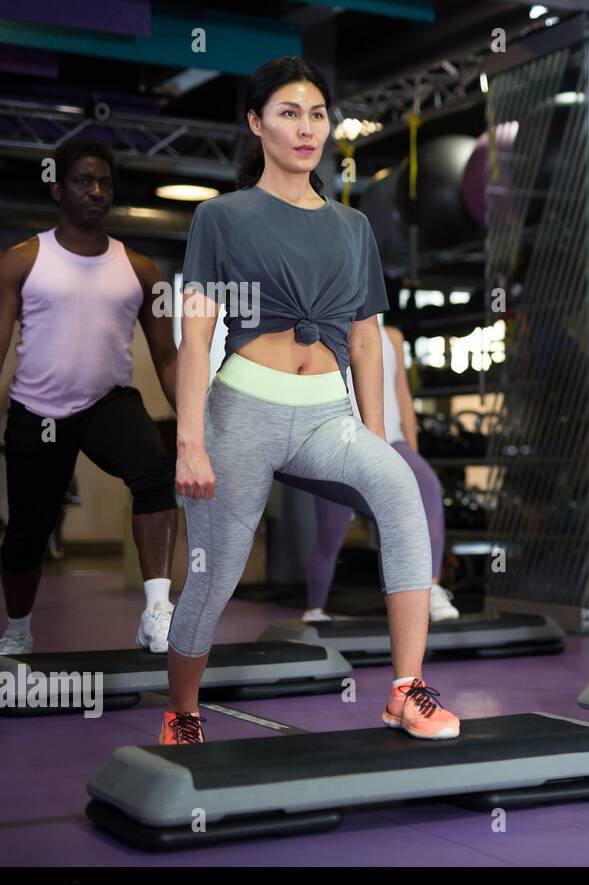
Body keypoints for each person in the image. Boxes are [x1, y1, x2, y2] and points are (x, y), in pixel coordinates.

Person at [164, 56, 457, 745]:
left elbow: (365, 344)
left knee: (401, 494)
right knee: (216, 576)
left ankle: (406, 690)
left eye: (317, 114)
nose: (306, 128)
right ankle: (181, 708)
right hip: (242, 411)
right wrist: (190, 441)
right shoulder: (221, 218)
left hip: (329, 413)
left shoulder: (352, 228)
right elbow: (196, 336)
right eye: (289, 113)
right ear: (257, 124)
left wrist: (378, 441)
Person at [0, 137, 178, 656]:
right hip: (37, 410)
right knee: (26, 537)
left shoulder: (142, 270)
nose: (96, 191)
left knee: (153, 473)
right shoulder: (21, 260)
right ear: (57, 189)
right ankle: (18, 628)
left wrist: (193, 420)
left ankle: (157, 611)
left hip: (108, 403)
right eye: (83, 181)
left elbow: (168, 356)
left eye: (104, 183)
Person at [304, 318, 458, 623]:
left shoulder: (393, 336)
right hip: (341, 438)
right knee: (331, 531)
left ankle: (432, 587)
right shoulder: (324, 325)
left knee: (428, 485)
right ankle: (314, 608)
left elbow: (402, 394)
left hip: (390, 439)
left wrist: (411, 448)